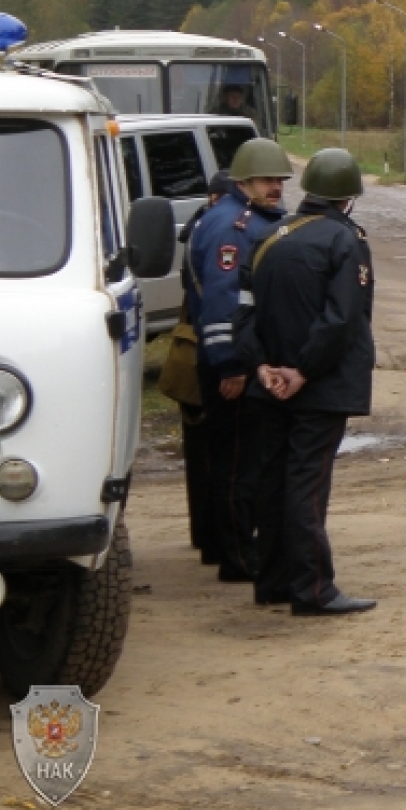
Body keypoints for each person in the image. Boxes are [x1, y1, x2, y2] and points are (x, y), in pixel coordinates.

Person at [235, 148, 377, 616]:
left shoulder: (268, 236)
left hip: (270, 383)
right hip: (318, 386)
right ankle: (314, 588)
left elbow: (244, 312)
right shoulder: (345, 242)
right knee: (307, 486)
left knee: (273, 481)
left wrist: (262, 367)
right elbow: (342, 320)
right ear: (348, 198)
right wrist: (304, 370)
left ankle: (274, 581)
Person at [185, 139, 292, 582]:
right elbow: (221, 303)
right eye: (268, 180)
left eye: (280, 180)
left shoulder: (238, 218)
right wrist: (231, 365)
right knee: (236, 466)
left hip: (236, 361)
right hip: (232, 365)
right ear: (244, 181)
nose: (276, 188)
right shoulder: (234, 227)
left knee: (225, 461)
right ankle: (236, 557)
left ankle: (220, 545)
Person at [174, 170, 237, 562]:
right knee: (218, 449)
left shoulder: (199, 226)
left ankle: (206, 535)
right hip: (208, 346)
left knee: (203, 449)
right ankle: (218, 540)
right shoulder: (216, 231)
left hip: (197, 343)